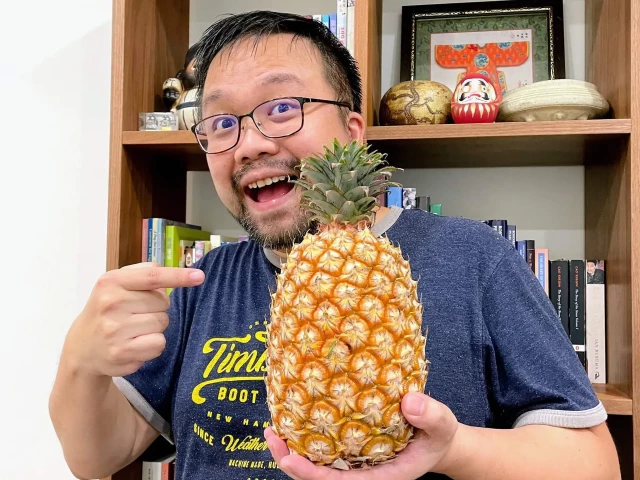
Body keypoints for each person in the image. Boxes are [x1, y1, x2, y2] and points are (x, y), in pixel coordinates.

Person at [49, 10, 621, 480]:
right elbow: (95, 457)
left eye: (281, 107)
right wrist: (81, 362)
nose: (246, 144)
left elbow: (593, 464)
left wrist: (455, 450)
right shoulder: (204, 279)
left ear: (352, 132)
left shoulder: (477, 259)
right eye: (220, 123)